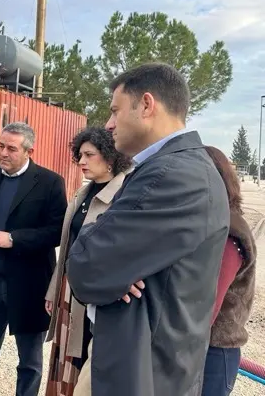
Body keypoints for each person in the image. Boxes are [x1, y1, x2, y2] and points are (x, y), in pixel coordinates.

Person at [66, 62, 230, 396]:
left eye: (115, 111)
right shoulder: (176, 168)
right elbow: (94, 262)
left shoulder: (171, 175)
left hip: (145, 374)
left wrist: (109, 270)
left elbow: (85, 264)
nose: (109, 124)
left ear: (146, 105)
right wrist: (112, 272)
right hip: (147, 367)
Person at [0, 122, 67, 396]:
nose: (3, 153)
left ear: (29, 151)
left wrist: (14, 239)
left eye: (11, 148)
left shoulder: (50, 182)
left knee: (30, 362)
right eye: (1, 146)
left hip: (29, 286)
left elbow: (57, 231)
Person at [44, 127, 132, 396]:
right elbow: (67, 247)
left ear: (110, 157)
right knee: (65, 355)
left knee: (85, 357)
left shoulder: (123, 196)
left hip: (94, 295)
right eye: (79, 155)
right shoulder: (83, 194)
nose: (81, 161)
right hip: (68, 291)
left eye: (89, 155)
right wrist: (54, 291)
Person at [202, 146, 257, 396]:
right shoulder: (212, 222)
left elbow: (207, 305)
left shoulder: (229, 230)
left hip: (214, 351)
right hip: (200, 346)